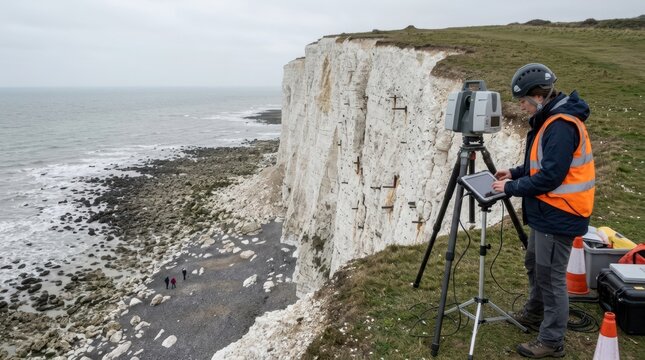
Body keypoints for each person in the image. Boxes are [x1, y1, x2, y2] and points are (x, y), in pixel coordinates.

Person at [492, 63, 595, 358]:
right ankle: (535, 313)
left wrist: (511, 189)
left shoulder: (561, 126)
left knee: (551, 278)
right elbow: (540, 165)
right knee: (535, 263)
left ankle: (551, 341)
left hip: (560, 213)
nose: (522, 107)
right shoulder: (549, 120)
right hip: (547, 211)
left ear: (538, 96)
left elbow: (551, 176)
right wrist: (514, 172)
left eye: (523, 101)